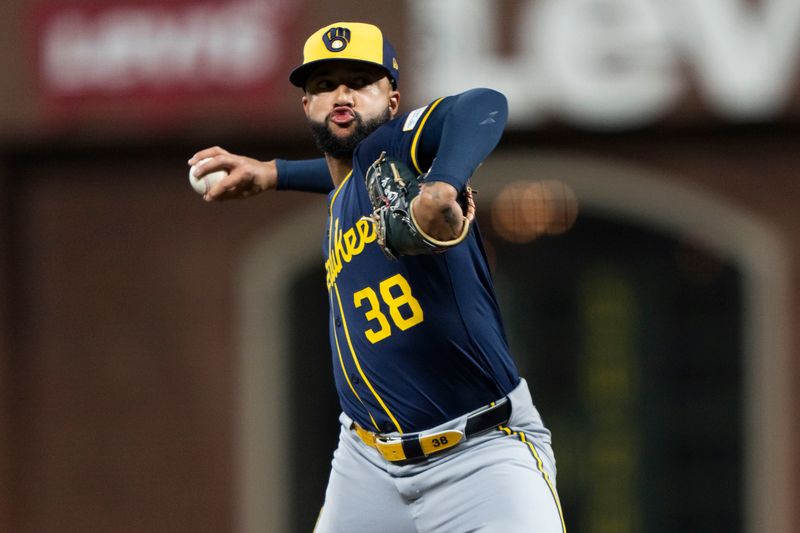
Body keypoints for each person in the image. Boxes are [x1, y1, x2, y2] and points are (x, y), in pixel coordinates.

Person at [189, 21, 566, 532]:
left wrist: (441, 186)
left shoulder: (394, 152)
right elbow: (339, 177)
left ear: (392, 101)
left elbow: (482, 102)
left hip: (478, 456)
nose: (341, 96)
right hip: (366, 462)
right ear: (306, 107)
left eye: (360, 82)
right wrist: (272, 172)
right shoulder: (349, 188)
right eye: (323, 86)